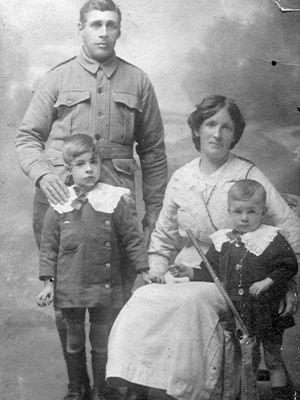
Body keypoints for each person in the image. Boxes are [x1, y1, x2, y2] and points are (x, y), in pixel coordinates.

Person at [15, 0, 167, 396]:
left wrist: (154, 210)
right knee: (66, 290)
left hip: (115, 205)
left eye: (111, 25)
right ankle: (77, 385)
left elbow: (152, 152)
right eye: (95, 24)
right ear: (80, 28)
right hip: (59, 200)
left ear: (119, 31)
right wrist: (45, 175)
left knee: (112, 295)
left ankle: (106, 385)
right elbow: (27, 137)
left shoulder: (138, 81)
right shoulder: (57, 78)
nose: (103, 32)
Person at [106, 95, 300, 400]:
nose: (217, 134)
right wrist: (155, 272)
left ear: (235, 135)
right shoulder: (182, 178)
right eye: (210, 124)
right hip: (187, 265)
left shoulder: (247, 174)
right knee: (143, 297)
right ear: (197, 129)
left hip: (233, 270)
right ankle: (136, 383)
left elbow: (289, 225)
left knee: (190, 303)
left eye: (227, 127)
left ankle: (185, 391)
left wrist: (287, 281)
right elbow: (163, 238)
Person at [36, 134, 156, 400]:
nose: (89, 169)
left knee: (101, 343)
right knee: (74, 341)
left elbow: (132, 238)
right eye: (80, 164)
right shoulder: (58, 202)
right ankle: (77, 387)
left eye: (94, 162)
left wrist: (144, 269)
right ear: (68, 169)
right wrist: (48, 284)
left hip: (104, 285)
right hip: (70, 287)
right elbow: (49, 248)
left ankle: (102, 388)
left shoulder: (114, 199)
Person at [171, 179, 298, 400]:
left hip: (268, 313)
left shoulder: (272, 238)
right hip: (241, 313)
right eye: (238, 212)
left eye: (252, 212)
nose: (245, 218)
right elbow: (210, 272)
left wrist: (268, 281)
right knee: (248, 360)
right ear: (229, 211)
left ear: (263, 211)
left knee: (273, 358)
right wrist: (187, 272)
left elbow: (288, 266)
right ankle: (249, 395)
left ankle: (281, 397)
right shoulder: (224, 241)